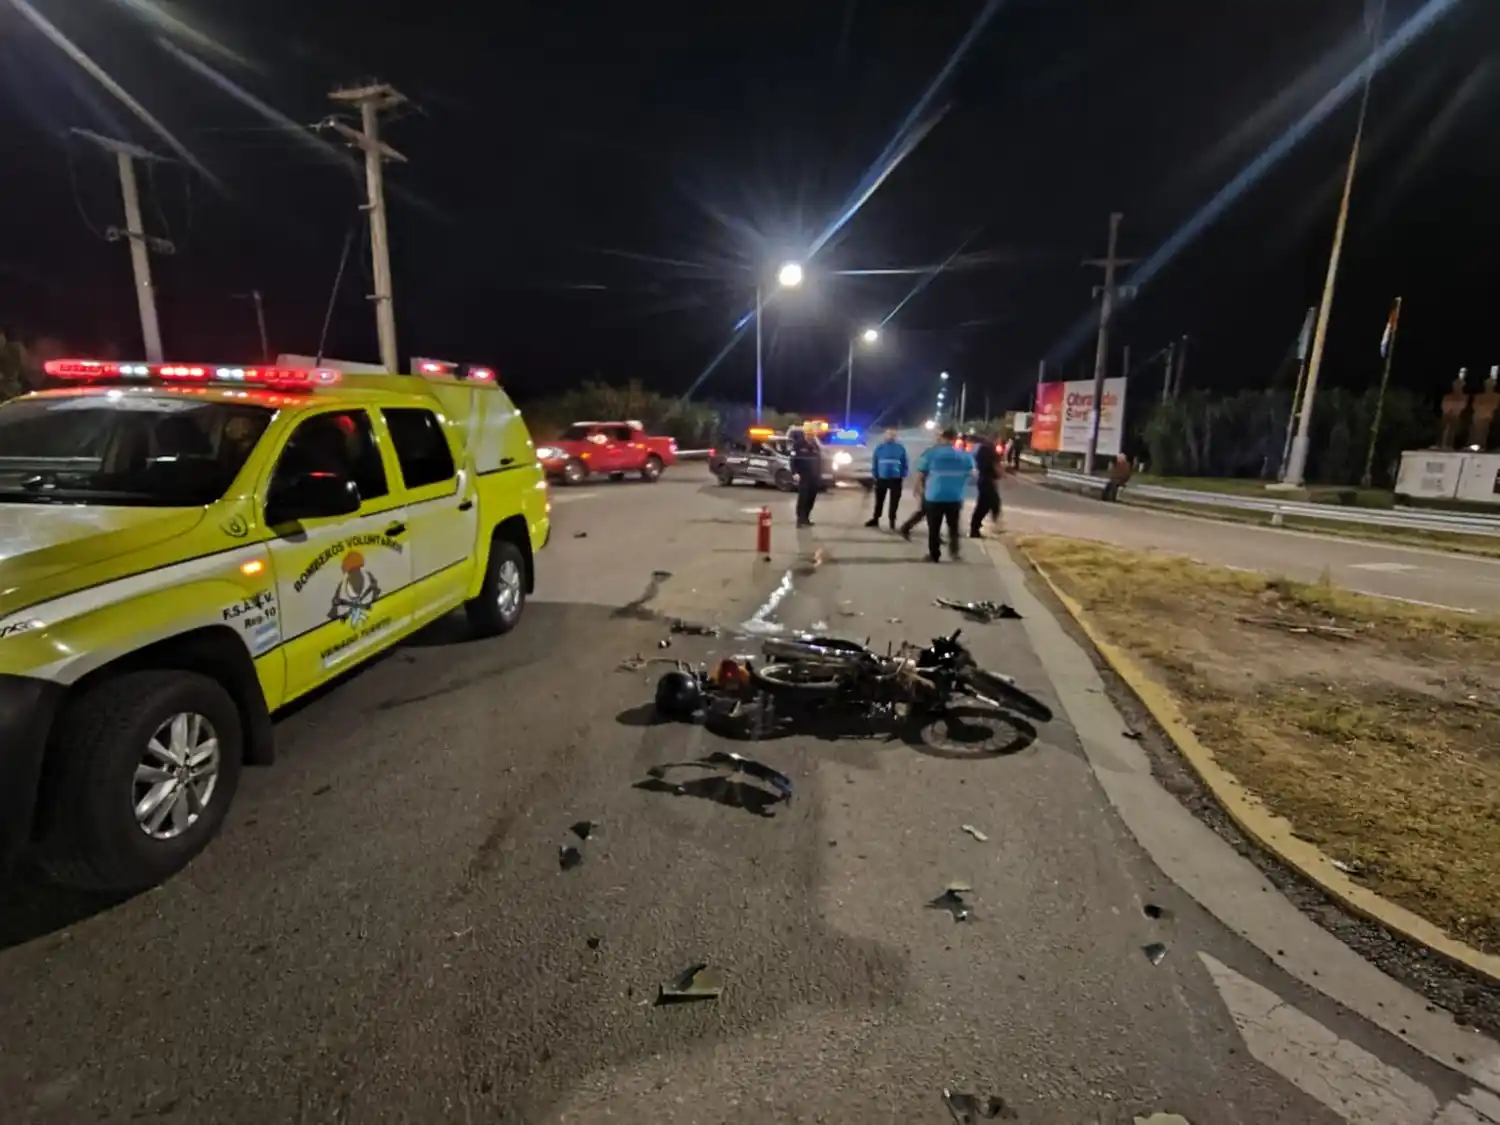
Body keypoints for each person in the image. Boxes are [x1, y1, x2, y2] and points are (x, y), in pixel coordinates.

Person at [916, 428, 974, 562]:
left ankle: (934, 555)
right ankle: (955, 553)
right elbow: (971, 474)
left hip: (934, 496)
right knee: (953, 527)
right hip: (954, 496)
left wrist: (918, 488)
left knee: (934, 528)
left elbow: (921, 473)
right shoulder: (963, 455)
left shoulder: (931, 453)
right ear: (954, 440)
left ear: (942, 438)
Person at [897, 430, 946, 541]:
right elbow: (921, 470)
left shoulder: (942, 452)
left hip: (937, 486)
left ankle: (934, 535)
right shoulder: (930, 452)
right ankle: (906, 527)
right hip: (928, 485)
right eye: (939, 437)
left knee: (930, 511)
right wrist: (917, 485)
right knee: (927, 510)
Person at [864, 428, 909, 530]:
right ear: (885, 436)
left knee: (894, 501)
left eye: (893, 435)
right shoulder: (880, 448)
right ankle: (876, 518)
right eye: (889, 434)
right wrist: (875, 473)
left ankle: (892, 520)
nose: (891, 437)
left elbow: (904, 462)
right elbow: (875, 461)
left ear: (896, 437)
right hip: (882, 477)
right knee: (879, 500)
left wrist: (903, 474)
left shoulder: (900, 448)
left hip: (896, 478)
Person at [969, 429, 1002, 538]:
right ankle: (975, 528)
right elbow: (989, 464)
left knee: (990, 503)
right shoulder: (986, 449)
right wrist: (996, 471)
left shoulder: (988, 448)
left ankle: (980, 526)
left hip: (987, 479)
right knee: (985, 505)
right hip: (985, 480)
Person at [790, 428, 823, 527]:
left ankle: (807, 518)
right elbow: (792, 459)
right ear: (805, 434)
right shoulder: (798, 445)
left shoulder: (815, 445)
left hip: (814, 476)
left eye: (812, 434)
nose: (810, 436)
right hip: (803, 475)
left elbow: (819, 459)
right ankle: (800, 519)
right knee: (803, 498)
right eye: (808, 434)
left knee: (811, 498)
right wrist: (794, 472)